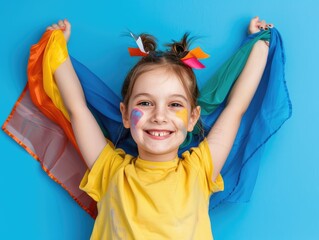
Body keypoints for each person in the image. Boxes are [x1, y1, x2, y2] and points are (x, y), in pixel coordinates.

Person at [42, 17, 271, 239]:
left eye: (174, 105)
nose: (159, 116)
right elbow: (77, 109)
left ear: (193, 118)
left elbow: (236, 108)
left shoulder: (199, 170)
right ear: (125, 114)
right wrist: (56, 46)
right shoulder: (109, 171)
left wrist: (260, 42)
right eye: (145, 103)